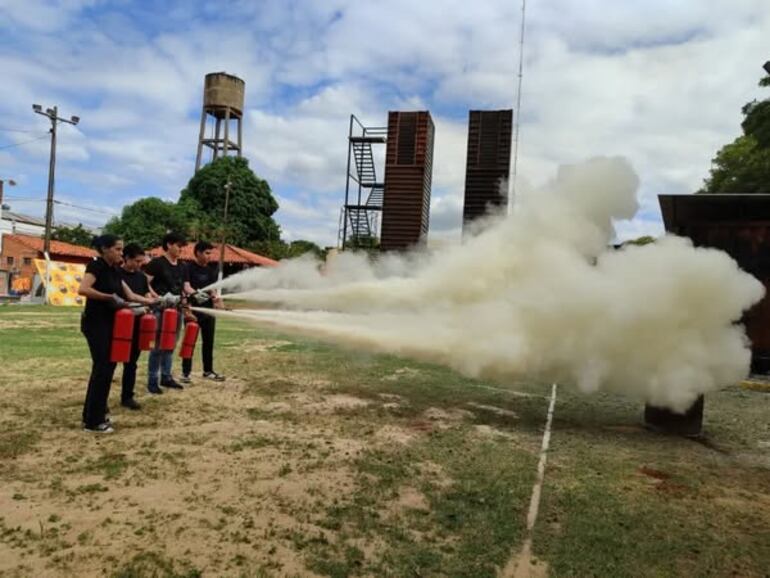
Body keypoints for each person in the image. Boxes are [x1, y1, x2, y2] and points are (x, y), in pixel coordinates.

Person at [77, 235, 156, 433]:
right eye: (118, 249)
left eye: (121, 250)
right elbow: (83, 289)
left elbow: (130, 296)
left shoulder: (115, 270)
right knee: (103, 368)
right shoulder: (96, 266)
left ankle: (93, 413)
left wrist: (154, 301)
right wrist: (108, 297)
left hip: (111, 323)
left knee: (107, 367)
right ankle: (93, 421)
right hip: (96, 324)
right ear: (104, 249)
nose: (121, 253)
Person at [144, 232, 189, 394]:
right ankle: (152, 380)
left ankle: (166, 377)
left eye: (182, 246)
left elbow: (186, 287)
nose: (181, 249)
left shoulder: (183, 266)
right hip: (159, 310)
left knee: (170, 344)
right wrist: (157, 297)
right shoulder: (157, 264)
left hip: (176, 311)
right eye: (178, 246)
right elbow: (144, 283)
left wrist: (195, 294)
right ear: (169, 245)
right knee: (157, 346)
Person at [118, 243, 157, 410]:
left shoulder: (141, 276)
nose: (140, 265)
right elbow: (128, 297)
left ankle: (127, 396)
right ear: (127, 258)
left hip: (138, 324)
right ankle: (101, 399)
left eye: (142, 261)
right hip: (119, 324)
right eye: (137, 261)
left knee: (132, 362)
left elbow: (147, 294)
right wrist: (145, 302)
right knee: (111, 361)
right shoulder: (116, 274)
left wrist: (149, 304)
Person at [182, 241, 225, 383]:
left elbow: (212, 290)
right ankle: (186, 373)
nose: (209, 256)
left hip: (208, 311)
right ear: (198, 253)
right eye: (207, 253)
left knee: (209, 342)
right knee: (190, 342)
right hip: (192, 311)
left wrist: (216, 299)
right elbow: (186, 287)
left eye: (210, 253)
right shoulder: (188, 268)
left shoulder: (210, 270)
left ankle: (208, 371)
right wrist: (199, 296)